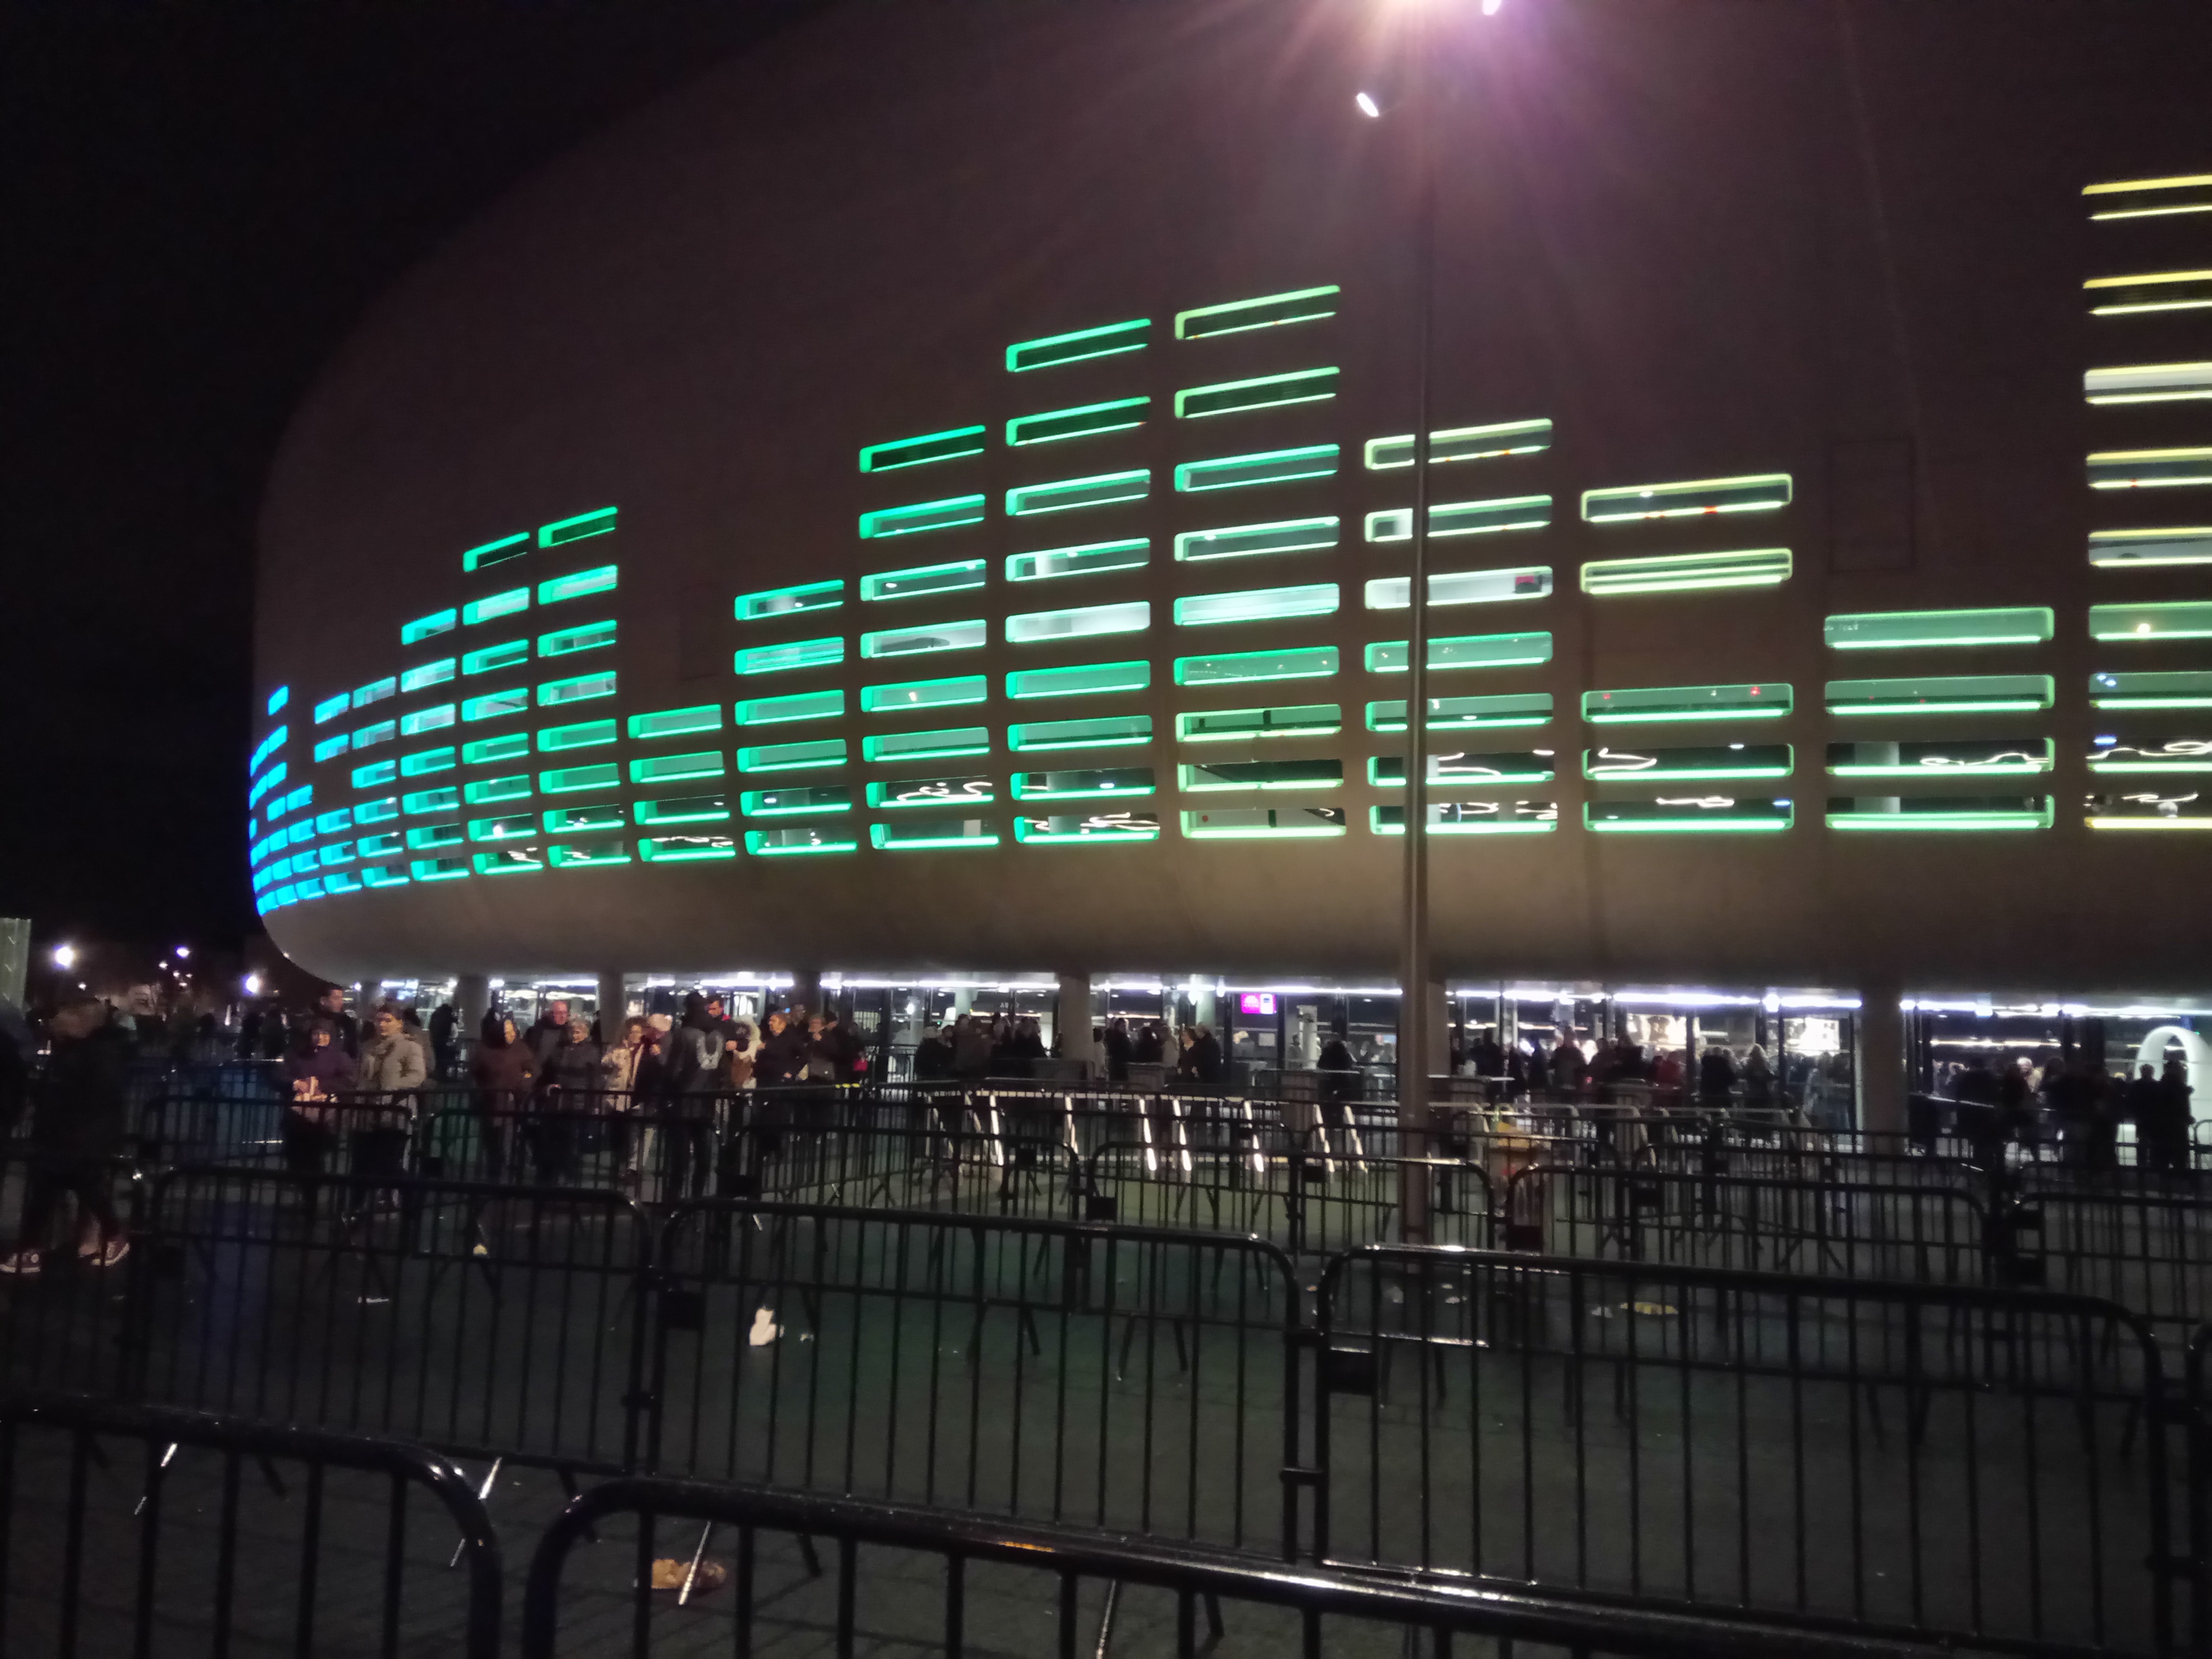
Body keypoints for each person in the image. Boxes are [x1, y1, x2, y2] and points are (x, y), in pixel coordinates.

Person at [0, 994, 132, 1273]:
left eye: (62, 1015)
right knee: (52, 1189)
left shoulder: (97, 1052)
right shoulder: (75, 1048)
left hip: (78, 1134)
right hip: (65, 1133)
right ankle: (30, 1248)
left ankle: (109, 1234)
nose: (55, 1021)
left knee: (78, 1185)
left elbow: (99, 1095)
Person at [350, 1003, 427, 1190]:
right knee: (360, 1165)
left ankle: (408, 1198)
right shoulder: (368, 1047)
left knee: (389, 1164)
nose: (382, 1025)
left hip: (394, 1113)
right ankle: (356, 1204)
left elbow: (417, 1076)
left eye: (387, 1020)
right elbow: (360, 1075)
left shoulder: (410, 1047)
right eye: (379, 1020)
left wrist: (392, 1088)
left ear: (399, 1023)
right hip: (367, 1113)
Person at [663, 992, 729, 1200]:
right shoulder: (718, 1035)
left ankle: (673, 1199)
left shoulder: (685, 1034)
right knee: (703, 1153)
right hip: (707, 1099)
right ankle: (698, 1198)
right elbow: (723, 1070)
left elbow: (674, 1071)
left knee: (680, 1155)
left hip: (684, 1100)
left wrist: (667, 1088)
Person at [283, 1018, 350, 1214]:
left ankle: (310, 1200)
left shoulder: (339, 1056)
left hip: (323, 1115)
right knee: (295, 1155)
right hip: (297, 1114)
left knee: (313, 1158)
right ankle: (307, 1193)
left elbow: (349, 1080)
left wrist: (321, 1086)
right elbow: (280, 1073)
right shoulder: (297, 1054)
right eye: (316, 1033)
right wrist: (295, 1083)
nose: (320, 1037)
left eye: (325, 1034)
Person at [469, 1015, 538, 1180]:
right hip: (489, 1104)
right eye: (507, 1032)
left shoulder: (521, 1049)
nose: (511, 1035)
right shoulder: (485, 1050)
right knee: (492, 1144)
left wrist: (524, 1084)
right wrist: (480, 1094)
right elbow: (473, 1075)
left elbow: (533, 1070)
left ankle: (508, 1177)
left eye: (513, 1031)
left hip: (512, 1103)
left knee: (508, 1143)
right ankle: (494, 1177)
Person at [534, 1014, 601, 1184]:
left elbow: (595, 1079)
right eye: (572, 1031)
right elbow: (549, 1070)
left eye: (578, 1032)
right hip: (557, 1100)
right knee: (554, 1138)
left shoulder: (591, 1051)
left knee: (572, 1140)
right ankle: (554, 1174)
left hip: (577, 1101)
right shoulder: (560, 1048)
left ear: (585, 1033)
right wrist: (548, 1086)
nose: (574, 1035)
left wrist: (594, 1103)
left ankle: (570, 1174)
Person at [2148, 1056, 2194, 1174]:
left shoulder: (2164, 1084)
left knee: (2166, 1153)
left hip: (2168, 1125)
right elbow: (2176, 1104)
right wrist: (2186, 1117)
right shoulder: (2176, 1085)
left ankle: (2167, 1174)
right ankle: (2178, 1173)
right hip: (2174, 1125)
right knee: (2177, 1152)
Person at [315, 986, 359, 1058]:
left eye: (341, 998)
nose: (341, 1002)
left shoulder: (348, 1023)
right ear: (323, 1001)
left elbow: (353, 1051)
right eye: (336, 998)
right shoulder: (314, 1023)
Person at [429, 1002, 458, 1081]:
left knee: (438, 1058)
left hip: (435, 1039)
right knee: (444, 1058)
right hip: (444, 1040)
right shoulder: (447, 1017)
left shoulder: (436, 1015)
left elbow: (431, 1027)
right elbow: (453, 1025)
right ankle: (443, 1075)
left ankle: (438, 1074)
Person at [1102, 1018, 1133, 1083]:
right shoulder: (1119, 1038)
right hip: (1119, 1064)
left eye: (1125, 1026)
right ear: (1118, 1027)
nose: (1125, 1028)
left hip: (1117, 1064)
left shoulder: (1117, 1037)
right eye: (1123, 1026)